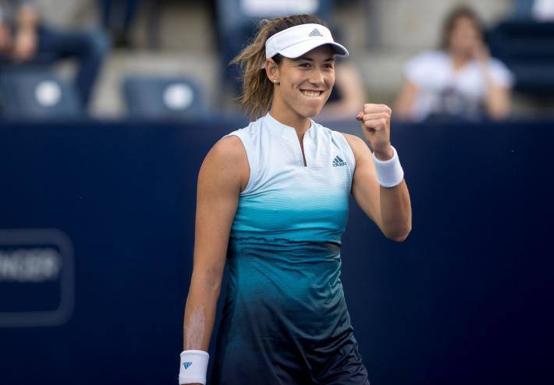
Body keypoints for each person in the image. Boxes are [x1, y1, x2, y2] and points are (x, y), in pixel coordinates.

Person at [179, 14, 412, 385]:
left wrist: (384, 153)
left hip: (336, 356)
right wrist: (190, 375)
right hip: (255, 359)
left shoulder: (350, 149)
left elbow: (397, 227)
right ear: (272, 70)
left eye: (327, 65)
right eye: (304, 65)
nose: (319, 78)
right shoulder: (232, 155)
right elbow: (207, 276)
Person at [394, 5, 513, 122]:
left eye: (471, 31)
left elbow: (500, 113)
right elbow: (402, 112)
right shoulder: (425, 64)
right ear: (449, 34)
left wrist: (483, 64)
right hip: (429, 133)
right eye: (461, 31)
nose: (467, 36)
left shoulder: (494, 69)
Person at [0, 0, 109, 109]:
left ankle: (75, 112)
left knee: (95, 43)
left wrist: (26, 31)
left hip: (28, 34)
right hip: (6, 43)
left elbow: (28, 7)